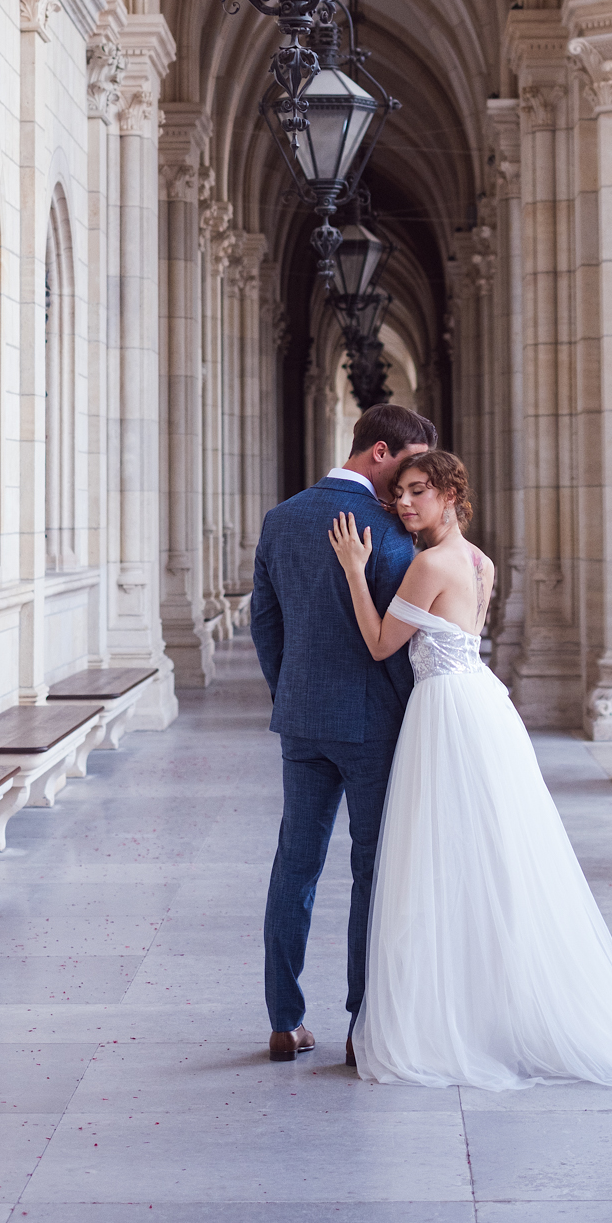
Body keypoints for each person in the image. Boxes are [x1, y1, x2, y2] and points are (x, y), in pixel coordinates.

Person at [329, 450, 612, 1093]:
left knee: (444, 858)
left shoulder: (431, 564)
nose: (404, 504)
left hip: (448, 714)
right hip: (482, 706)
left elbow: (380, 645)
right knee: (496, 857)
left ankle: (458, 1018)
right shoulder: (480, 562)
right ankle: (493, 1008)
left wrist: (354, 570)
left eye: (418, 491)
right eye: (400, 493)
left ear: (450, 495)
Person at [250, 402, 437, 1064]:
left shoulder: (281, 519)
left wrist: (290, 691)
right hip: (371, 728)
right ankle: (362, 1027)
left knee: (294, 864)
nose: (410, 488)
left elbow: (263, 624)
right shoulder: (389, 536)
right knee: (371, 869)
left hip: (301, 721)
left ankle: (283, 1018)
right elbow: (401, 647)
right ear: (380, 453)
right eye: (408, 467)